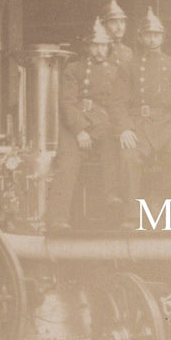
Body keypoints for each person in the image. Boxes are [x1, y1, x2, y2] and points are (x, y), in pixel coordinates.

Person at [45, 17, 130, 231]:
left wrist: (119, 127)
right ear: (88, 46)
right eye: (95, 45)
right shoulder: (73, 69)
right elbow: (67, 103)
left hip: (102, 122)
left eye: (103, 45)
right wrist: (79, 130)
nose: (100, 50)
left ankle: (112, 198)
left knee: (113, 146)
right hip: (74, 124)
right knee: (68, 163)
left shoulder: (116, 70)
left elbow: (117, 103)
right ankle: (58, 218)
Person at [119, 7, 171, 225]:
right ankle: (131, 215)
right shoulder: (128, 66)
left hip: (169, 125)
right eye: (148, 35)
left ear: (163, 37)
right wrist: (124, 128)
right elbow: (117, 102)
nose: (152, 39)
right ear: (141, 37)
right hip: (138, 124)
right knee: (129, 157)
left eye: (157, 35)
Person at [102, 0, 134, 72]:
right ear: (103, 25)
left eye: (122, 22)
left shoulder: (128, 51)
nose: (119, 27)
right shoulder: (97, 48)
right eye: (113, 22)